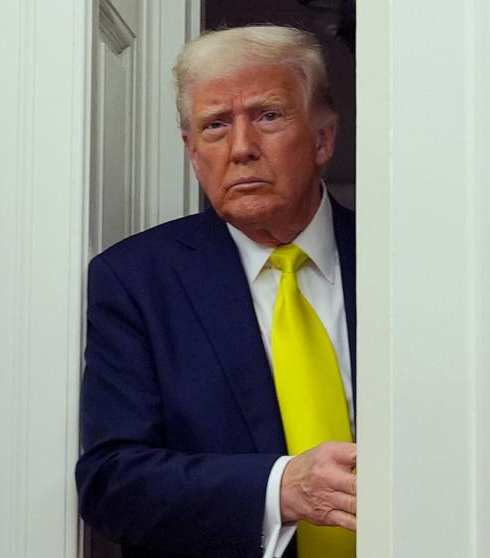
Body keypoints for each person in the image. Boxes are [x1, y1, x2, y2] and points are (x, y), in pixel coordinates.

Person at [76, 26, 357, 558]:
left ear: (324, 138)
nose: (242, 148)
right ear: (191, 150)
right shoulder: (136, 280)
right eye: (215, 125)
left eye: (268, 115)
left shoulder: (401, 266)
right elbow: (112, 482)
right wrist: (282, 488)